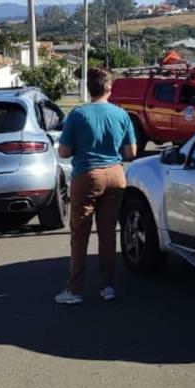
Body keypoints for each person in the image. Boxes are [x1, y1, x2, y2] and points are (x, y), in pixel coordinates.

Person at [55, 68, 137, 305]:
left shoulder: (78, 115)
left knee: (80, 234)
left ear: (88, 89)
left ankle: (75, 289)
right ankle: (107, 286)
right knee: (108, 233)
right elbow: (131, 152)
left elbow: (64, 151)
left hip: (87, 176)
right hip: (116, 175)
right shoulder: (121, 114)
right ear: (109, 89)